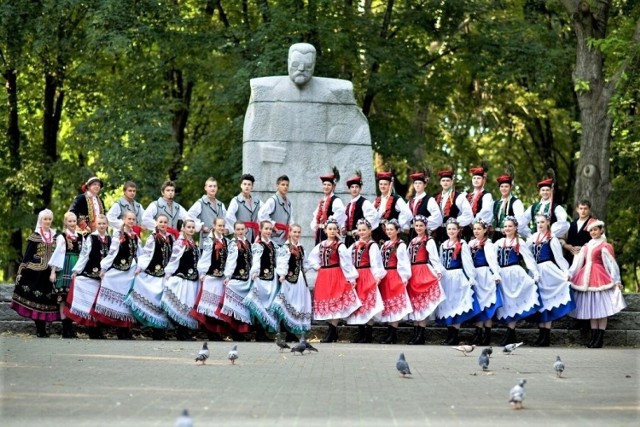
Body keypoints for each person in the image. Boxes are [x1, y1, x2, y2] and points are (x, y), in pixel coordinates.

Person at [568, 220, 626, 348]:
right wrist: (570, 274)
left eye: (596, 230)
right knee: (593, 310)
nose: (593, 232)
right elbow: (578, 263)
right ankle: (593, 338)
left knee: (601, 309)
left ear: (601, 230)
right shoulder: (586, 246)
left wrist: (616, 280)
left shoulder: (605, 246)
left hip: (600, 276)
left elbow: (612, 264)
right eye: (591, 230)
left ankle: (600, 338)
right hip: (586, 278)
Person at [307, 218, 361, 343]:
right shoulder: (321, 245)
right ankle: (332, 332)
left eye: (334, 229)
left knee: (335, 302)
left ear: (337, 231)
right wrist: (317, 266)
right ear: (325, 231)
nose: (332, 231)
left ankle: (331, 331)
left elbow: (346, 263)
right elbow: (311, 258)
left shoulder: (340, 245)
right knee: (326, 301)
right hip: (324, 275)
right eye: (329, 229)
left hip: (336, 274)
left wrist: (351, 278)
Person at [526, 214, 576, 347]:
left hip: (547, 270)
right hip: (535, 271)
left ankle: (546, 336)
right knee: (540, 302)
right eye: (538, 222)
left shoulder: (552, 238)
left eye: (542, 222)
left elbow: (559, 258)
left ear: (548, 222)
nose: (540, 225)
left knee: (547, 303)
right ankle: (541, 335)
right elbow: (527, 255)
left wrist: (566, 272)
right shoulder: (532, 238)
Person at [11, 209, 60, 337]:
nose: (48, 221)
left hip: (50, 273)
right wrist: (21, 271)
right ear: (41, 220)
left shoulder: (55, 236)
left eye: (49, 219)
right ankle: (40, 329)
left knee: (46, 301)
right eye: (45, 219)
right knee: (36, 299)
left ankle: (43, 328)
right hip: (35, 273)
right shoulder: (35, 236)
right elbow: (27, 256)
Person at [93, 211, 141, 340]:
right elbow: (112, 252)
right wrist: (104, 268)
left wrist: (140, 267)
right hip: (119, 271)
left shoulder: (135, 236)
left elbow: (140, 254)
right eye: (129, 219)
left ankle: (124, 330)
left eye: (133, 219)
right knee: (116, 300)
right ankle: (98, 329)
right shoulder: (119, 234)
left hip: (130, 272)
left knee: (126, 302)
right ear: (124, 220)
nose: (131, 221)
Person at [494, 216, 541, 345]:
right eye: (505, 226)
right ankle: (511, 334)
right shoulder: (499, 242)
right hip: (503, 275)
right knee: (507, 304)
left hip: (515, 274)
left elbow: (528, 259)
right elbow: (492, 259)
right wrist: (495, 272)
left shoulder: (519, 242)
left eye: (510, 226)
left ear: (515, 228)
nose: (507, 228)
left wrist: (535, 273)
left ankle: (510, 333)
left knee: (514, 302)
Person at [126, 214, 174, 340]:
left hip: (165, 274)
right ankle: (154, 330)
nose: (163, 224)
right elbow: (147, 254)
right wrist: (140, 268)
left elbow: (173, 257)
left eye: (165, 222)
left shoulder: (170, 238)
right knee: (154, 301)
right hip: (153, 273)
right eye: (161, 222)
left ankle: (161, 330)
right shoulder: (153, 238)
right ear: (156, 223)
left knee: (163, 303)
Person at [65, 214, 111, 339]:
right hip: (91, 274)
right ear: (96, 224)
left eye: (104, 223)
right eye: (99, 223)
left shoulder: (110, 239)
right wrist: (76, 270)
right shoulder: (91, 238)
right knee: (90, 303)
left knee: (99, 304)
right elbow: (84, 255)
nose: (102, 226)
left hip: (104, 276)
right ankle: (92, 330)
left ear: (107, 224)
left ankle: (98, 329)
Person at [435, 218, 479, 345]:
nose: (451, 231)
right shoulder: (443, 244)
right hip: (446, 277)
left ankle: (455, 335)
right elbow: (441, 262)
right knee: (448, 304)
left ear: (458, 230)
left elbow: (467, 261)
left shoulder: (462, 244)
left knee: (457, 304)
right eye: (449, 229)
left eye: (454, 229)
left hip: (457, 275)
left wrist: (471, 276)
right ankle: (449, 334)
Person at [406, 215, 445, 345]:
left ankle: (421, 334)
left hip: (423, 271)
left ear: (425, 226)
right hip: (412, 273)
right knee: (415, 304)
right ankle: (416, 332)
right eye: (416, 226)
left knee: (423, 303)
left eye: (421, 226)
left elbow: (434, 258)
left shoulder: (429, 240)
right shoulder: (412, 241)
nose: (418, 228)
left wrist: (438, 270)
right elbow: (406, 258)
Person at [161, 219, 202, 340]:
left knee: (188, 304)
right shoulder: (180, 242)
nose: (191, 229)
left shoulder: (192, 243)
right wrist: (168, 273)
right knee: (182, 304)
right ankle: (181, 331)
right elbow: (174, 259)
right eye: (188, 227)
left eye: (193, 227)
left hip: (192, 278)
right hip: (183, 277)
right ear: (183, 228)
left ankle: (185, 331)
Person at [347, 219, 386, 343]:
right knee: (359, 304)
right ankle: (361, 332)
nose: (362, 232)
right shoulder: (354, 245)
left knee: (368, 304)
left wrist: (377, 276)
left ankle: (368, 334)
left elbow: (376, 262)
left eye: (364, 230)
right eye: (359, 230)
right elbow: (346, 259)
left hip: (367, 274)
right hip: (357, 275)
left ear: (370, 230)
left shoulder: (372, 245)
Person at [273, 224, 313, 339]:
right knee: (289, 303)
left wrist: (310, 267)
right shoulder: (285, 248)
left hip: (300, 280)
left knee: (299, 304)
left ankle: (294, 331)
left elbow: (304, 263)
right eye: (294, 232)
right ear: (289, 232)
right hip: (289, 280)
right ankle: (288, 332)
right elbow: (282, 262)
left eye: (298, 232)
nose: (296, 234)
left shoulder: (301, 248)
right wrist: (282, 274)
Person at [243, 221, 282, 339]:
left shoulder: (273, 245)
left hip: (272, 278)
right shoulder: (257, 245)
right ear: (260, 229)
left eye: (270, 229)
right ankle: (259, 332)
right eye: (266, 229)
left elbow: (278, 260)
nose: (269, 231)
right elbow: (256, 260)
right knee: (259, 302)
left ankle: (264, 331)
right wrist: (254, 272)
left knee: (268, 304)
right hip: (261, 278)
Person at [48, 211, 84, 338]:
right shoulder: (62, 237)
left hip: (76, 268)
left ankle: (70, 327)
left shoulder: (81, 237)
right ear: (65, 223)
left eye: (74, 221)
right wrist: (53, 272)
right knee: (63, 298)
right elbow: (57, 254)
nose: (72, 224)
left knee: (73, 298)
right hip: (64, 267)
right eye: (70, 221)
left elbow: (83, 255)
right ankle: (66, 328)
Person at [377, 220, 413, 344]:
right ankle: (390, 333)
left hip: (395, 274)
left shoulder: (400, 245)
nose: (389, 232)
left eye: (391, 229)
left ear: (397, 230)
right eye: (387, 229)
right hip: (385, 275)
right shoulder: (385, 244)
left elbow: (403, 262)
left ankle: (393, 333)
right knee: (387, 304)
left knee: (394, 304)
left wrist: (404, 277)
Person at [193, 217, 229, 339]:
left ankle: (217, 332)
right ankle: (210, 332)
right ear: (214, 226)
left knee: (218, 304)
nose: (222, 228)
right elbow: (206, 256)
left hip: (221, 276)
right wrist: (203, 272)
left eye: (223, 226)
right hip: (211, 276)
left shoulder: (226, 241)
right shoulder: (209, 240)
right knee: (209, 305)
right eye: (219, 225)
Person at [467, 219, 502, 345]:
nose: (476, 231)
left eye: (479, 229)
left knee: (487, 304)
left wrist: (496, 274)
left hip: (485, 274)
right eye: (474, 229)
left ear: (485, 230)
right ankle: (478, 332)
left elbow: (492, 260)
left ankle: (487, 335)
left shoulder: (488, 244)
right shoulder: (471, 243)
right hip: (475, 275)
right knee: (479, 304)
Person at [216, 222, 254, 338]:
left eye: (242, 229)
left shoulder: (248, 243)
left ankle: (242, 331)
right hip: (237, 277)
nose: (240, 231)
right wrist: (228, 276)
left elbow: (251, 260)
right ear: (234, 231)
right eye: (238, 229)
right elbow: (231, 261)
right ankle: (235, 332)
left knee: (243, 307)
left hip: (246, 279)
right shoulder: (234, 244)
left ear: (246, 230)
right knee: (235, 307)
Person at [521, 175, 569, 239]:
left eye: (547, 190)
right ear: (540, 192)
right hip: (534, 241)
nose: (545, 192)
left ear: (551, 191)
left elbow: (563, 224)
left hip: (549, 240)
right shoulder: (533, 207)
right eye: (543, 190)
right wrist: (530, 235)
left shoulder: (557, 208)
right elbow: (521, 222)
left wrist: (549, 235)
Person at [433, 169, 473, 244]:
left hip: (453, 232)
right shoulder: (436, 198)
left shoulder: (458, 196)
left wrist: (454, 223)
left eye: (448, 180)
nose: (445, 182)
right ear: (440, 182)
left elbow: (468, 214)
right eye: (443, 180)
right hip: (439, 232)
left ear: (451, 182)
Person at [372, 171, 412, 244]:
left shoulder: (397, 199)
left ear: (390, 185)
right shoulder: (377, 200)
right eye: (381, 184)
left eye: (385, 184)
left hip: (391, 234)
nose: (382, 186)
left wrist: (399, 225)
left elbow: (407, 213)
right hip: (378, 233)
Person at [189, 177, 227, 247]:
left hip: (220, 240)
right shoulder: (200, 203)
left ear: (217, 188)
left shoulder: (221, 204)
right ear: (205, 188)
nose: (212, 188)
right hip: (206, 241)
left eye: (214, 186)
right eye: (210, 186)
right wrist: (200, 227)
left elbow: (226, 220)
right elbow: (189, 216)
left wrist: (226, 230)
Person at [310, 167, 345, 244]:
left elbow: (341, 212)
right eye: (324, 184)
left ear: (333, 187)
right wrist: (315, 225)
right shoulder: (322, 201)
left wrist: (330, 222)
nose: (326, 187)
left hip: (330, 234)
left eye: (329, 185)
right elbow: (316, 216)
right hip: (320, 233)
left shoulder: (336, 200)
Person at [343, 171, 378, 247]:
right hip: (348, 239)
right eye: (352, 187)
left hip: (360, 238)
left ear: (360, 188)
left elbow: (373, 217)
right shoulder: (348, 205)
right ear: (349, 189)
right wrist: (343, 228)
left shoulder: (365, 203)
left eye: (356, 187)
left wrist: (363, 230)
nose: (354, 189)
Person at [225, 173, 262, 243]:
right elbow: (229, 216)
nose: (247, 186)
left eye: (249, 184)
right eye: (244, 184)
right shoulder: (236, 200)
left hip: (255, 235)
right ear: (241, 185)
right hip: (241, 235)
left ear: (252, 187)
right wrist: (236, 229)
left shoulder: (258, 202)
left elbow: (264, 216)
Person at [257, 175, 293, 246]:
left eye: (287, 185)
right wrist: (272, 225)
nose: (285, 187)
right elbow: (261, 214)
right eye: (283, 184)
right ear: (277, 186)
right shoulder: (273, 200)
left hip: (285, 237)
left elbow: (291, 219)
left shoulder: (288, 203)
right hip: (274, 237)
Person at [407, 171, 443, 240]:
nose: (417, 185)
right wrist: (406, 226)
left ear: (425, 185)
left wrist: (423, 225)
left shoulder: (430, 200)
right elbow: (404, 216)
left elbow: (438, 218)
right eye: (415, 183)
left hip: (424, 235)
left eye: (420, 183)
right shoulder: (410, 202)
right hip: (412, 234)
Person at [492, 173, 527, 241]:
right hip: (496, 236)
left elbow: (520, 221)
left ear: (511, 187)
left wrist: (513, 232)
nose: (503, 189)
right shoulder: (496, 203)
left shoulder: (516, 202)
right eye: (501, 186)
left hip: (510, 236)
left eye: (506, 186)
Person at [463, 166, 494, 241]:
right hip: (466, 231)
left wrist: (472, 222)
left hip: (479, 231)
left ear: (483, 180)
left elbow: (486, 212)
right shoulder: (467, 196)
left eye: (478, 178)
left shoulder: (486, 195)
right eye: (474, 178)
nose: (476, 180)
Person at [560, 199, 594, 264]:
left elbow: (600, 241)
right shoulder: (570, 224)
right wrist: (566, 245)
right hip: (570, 259)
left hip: (586, 260)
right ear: (577, 209)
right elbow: (561, 238)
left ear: (589, 210)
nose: (583, 211)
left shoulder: (594, 223)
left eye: (585, 209)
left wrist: (583, 249)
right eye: (581, 208)